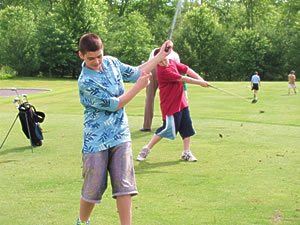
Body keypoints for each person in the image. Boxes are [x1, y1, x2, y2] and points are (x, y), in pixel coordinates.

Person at [76, 33, 173, 225]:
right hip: (96, 141)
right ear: (81, 55)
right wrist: (138, 88)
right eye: (91, 58)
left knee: (125, 186)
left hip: (120, 134)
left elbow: (137, 72)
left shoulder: (112, 62)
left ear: (103, 51)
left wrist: (160, 55)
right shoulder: (85, 82)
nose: (97, 61)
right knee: (93, 188)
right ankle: (82, 221)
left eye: (99, 56)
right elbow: (115, 104)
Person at [137, 48, 210, 162]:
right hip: (170, 105)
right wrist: (200, 83)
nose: (164, 62)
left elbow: (186, 69)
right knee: (167, 129)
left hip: (181, 102)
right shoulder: (162, 72)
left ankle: (186, 152)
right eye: (161, 61)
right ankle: (146, 148)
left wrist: (201, 79)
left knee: (187, 128)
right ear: (157, 62)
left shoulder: (171, 62)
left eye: (165, 59)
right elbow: (182, 78)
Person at [139, 49, 182, 132]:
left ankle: (147, 125)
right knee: (168, 98)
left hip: (153, 70)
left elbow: (149, 63)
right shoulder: (175, 54)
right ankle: (167, 123)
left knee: (149, 98)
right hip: (167, 71)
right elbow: (177, 68)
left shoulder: (154, 51)